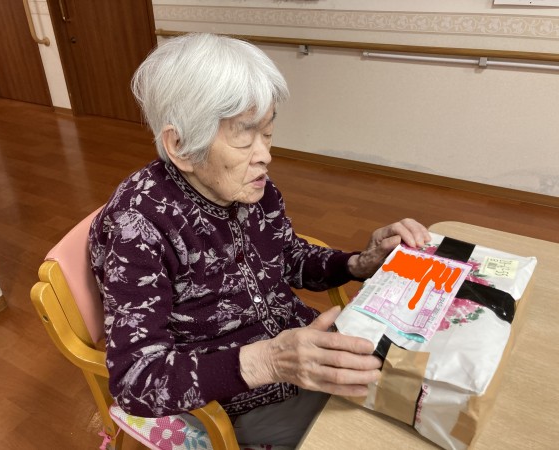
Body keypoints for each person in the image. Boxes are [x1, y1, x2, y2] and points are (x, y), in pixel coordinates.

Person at [88, 32, 430, 447]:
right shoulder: (137, 226)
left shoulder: (253, 189)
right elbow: (135, 381)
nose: (265, 154)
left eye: (267, 132)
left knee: (426, 393)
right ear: (180, 146)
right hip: (238, 400)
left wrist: (360, 263)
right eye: (244, 136)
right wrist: (270, 361)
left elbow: (290, 258)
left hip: (303, 354)